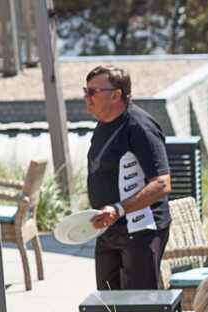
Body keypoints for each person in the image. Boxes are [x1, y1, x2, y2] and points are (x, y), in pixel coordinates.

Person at [84, 65, 172, 290]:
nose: (86, 96)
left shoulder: (140, 126)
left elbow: (162, 183)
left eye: (93, 91)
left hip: (140, 231)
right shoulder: (103, 123)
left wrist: (118, 209)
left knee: (137, 305)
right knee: (108, 303)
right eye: (86, 90)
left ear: (116, 95)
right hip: (108, 229)